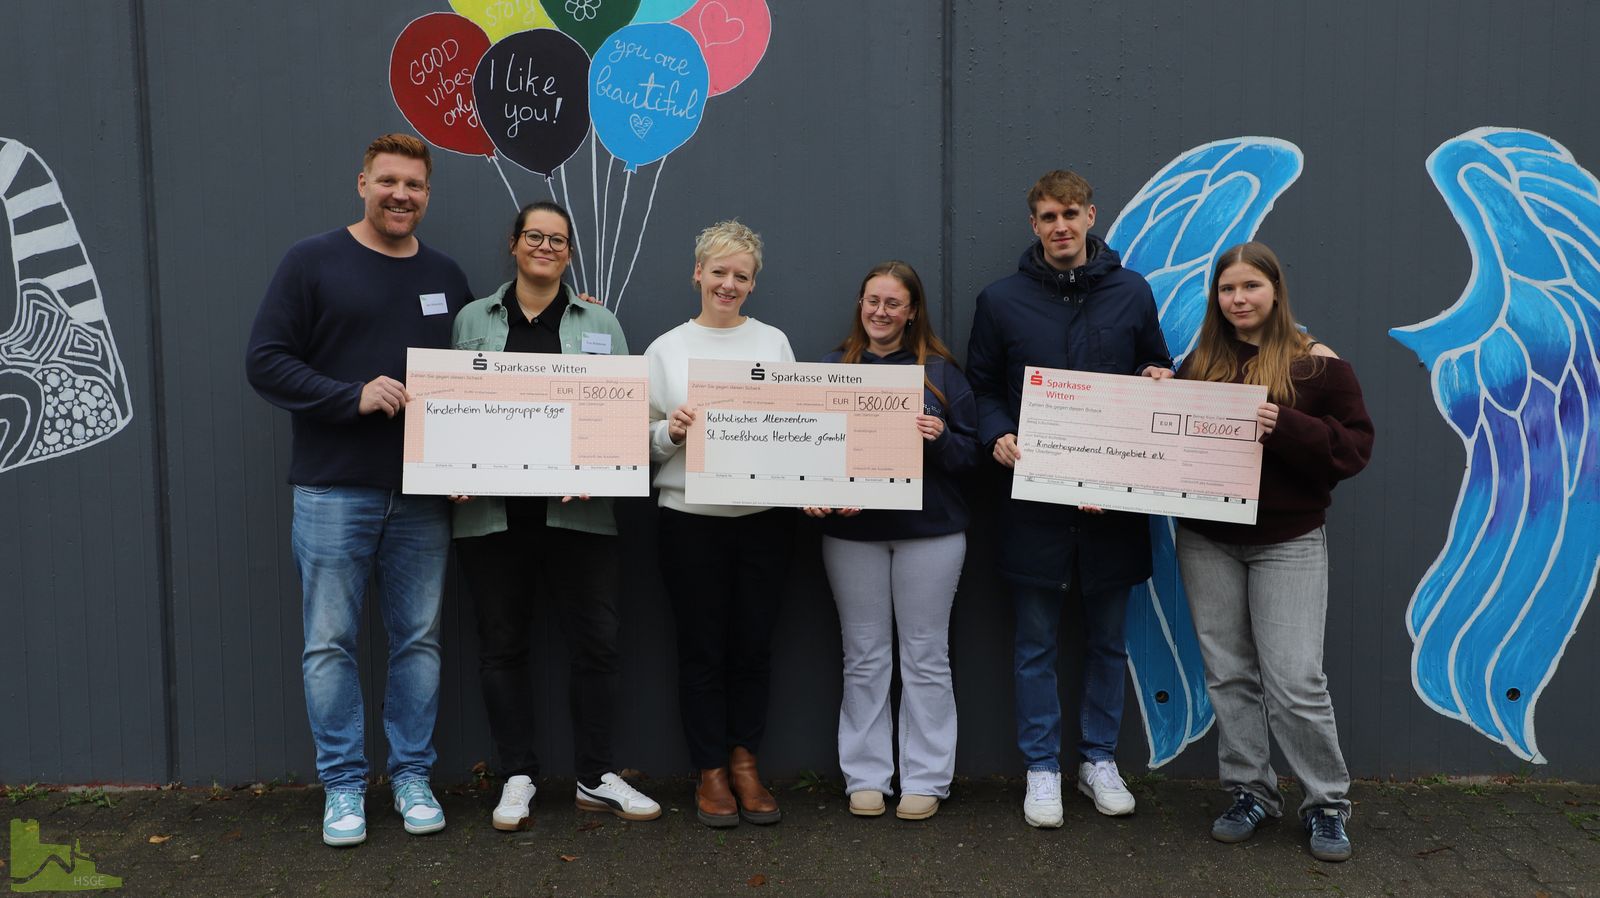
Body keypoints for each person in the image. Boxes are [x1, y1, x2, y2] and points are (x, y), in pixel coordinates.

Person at [245, 134, 473, 847]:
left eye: (416, 185)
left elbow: (480, 377)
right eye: (389, 181)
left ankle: (410, 776)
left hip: (423, 494)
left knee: (420, 642)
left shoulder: (447, 274)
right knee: (329, 643)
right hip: (334, 491)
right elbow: (266, 362)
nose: (402, 194)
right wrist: (350, 395)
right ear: (362, 184)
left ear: (428, 195)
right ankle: (343, 786)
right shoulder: (311, 262)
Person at [966, 169, 1173, 829]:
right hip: (1035, 502)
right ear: (1034, 225)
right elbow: (980, 387)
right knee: (1034, 643)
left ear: (1090, 215)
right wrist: (996, 431)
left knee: (1109, 642)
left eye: (1070, 214)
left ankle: (1098, 760)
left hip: (1114, 504)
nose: (1060, 227)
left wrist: (1157, 378)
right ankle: (1042, 770)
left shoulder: (1131, 292)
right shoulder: (1000, 301)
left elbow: (1157, 369)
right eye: (1047, 217)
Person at [450, 201, 661, 831]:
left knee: (596, 648)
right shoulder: (471, 320)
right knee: (501, 648)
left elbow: (625, 413)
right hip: (493, 517)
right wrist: (450, 468)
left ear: (569, 253)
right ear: (513, 245)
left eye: (558, 240)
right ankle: (517, 774)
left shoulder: (600, 322)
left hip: (582, 519)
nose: (546, 247)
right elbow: (449, 403)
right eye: (534, 237)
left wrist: (598, 469)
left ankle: (596, 776)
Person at [1174, 242, 1373, 862]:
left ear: (1275, 290)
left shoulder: (1318, 366)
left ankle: (1327, 803)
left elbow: (1353, 449)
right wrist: (1159, 392)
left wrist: (1282, 423)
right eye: (1227, 289)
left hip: (1287, 540)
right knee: (1229, 672)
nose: (1238, 299)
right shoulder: (1199, 361)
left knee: (1294, 679)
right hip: (1208, 538)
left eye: (1250, 287)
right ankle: (1250, 791)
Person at [805, 261, 980, 821]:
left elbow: (973, 459)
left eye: (893, 303)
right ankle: (866, 775)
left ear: (912, 312)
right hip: (852, 535)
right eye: (872, 301)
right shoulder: (833, 369)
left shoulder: (943, 375)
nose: (881, 312)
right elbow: (804, 449)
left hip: (929, 534)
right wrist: (809, 489)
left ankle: (926, 778)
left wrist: (942, 438)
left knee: (926, 656)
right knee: (863, 657)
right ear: (860, 305)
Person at [645, 220, 796, 828]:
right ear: (697, 275)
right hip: (689, 518)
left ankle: (744, 763)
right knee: (702, 650)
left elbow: (793, 428)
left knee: (753, 647)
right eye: (719, 272)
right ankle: (709, 770)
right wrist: (670, 431)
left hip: (763, 520)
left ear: (753, 283)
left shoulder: (774, 343)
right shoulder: (666, 349)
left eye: (741, 275)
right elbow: (640, 438)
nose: (728, 284)